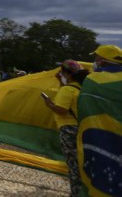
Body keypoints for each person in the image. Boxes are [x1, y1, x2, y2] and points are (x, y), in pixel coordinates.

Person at [76, 44, 122, 197]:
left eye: (96, 58)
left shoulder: (93, 80)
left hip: (101, 138)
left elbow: (84, 108)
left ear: (102, 60)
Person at [41, 60, 89, 197]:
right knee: (80, 162)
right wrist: (60, 81)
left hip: (68, 129)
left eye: (62, 72)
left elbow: (61, 109)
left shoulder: (67, 90)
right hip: (79, 127)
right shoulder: (79, 88)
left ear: (67, 74)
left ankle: (76, 193)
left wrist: (49, 104)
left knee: (73, 165)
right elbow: (66, 92)